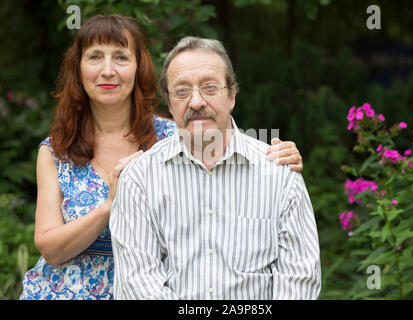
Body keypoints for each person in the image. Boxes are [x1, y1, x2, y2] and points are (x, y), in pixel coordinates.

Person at [20, 15, 304, 300]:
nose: (108, 70)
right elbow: (50, 249)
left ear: (138, 67)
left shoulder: (176, 134)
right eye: (95, 57)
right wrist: (111, 205)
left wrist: (275, 155)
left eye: (121, 57)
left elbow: (232, 161)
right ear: (78, 70)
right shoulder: (57, 150)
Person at [110, 36, 321, 300]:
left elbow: (299, 280)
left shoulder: (279, 174)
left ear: (232, 95)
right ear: (169, 101)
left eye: (209, 88)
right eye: (182, 91)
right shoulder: (139, 179)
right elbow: (137, 283)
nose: (196, 102)